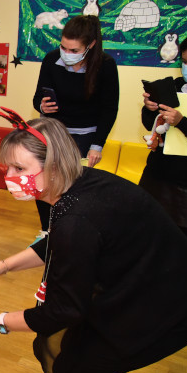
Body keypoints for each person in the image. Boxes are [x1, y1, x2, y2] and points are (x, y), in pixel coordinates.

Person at [0, 116, 187, 373]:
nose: (9, 178)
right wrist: (5, 265)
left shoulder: (76, 218)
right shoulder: (81, 184)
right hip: (148, 286)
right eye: (7, 169)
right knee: (79, 369)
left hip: (173, 305)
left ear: (53, 164)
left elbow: (64, 310)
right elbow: (55, 242)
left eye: (19, 169)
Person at [32, 15, 120, 236]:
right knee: (44, 182)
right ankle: (47, 231)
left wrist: (97, 145)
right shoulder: (51, 60)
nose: (66, 54)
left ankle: (68, 232)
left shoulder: (106, 65)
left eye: (74, 50)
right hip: (54, 131)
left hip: (85, 135)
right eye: (63, 47)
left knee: (73, 187)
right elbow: (37, 99)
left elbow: (109, 108)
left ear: (90, 46)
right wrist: (43, 106)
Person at [139, 27, 187, 246]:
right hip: (158, 176)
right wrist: (150, 109)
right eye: (184, 61)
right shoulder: (173, 86)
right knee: (149, 235)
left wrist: (182, 122)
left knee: (182, 243)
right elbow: (151, 124)